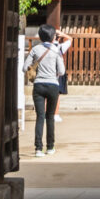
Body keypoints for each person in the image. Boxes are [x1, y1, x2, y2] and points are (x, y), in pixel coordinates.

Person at [26, 26, 70, 156]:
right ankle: (50, 147)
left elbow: (25, 67)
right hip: (52, 85)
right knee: (50, 117)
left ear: (40, 36)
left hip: (38, 85)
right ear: (53, 37)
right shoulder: (56, 51)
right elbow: (61, 71)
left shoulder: (35, 49)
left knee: (40, 117)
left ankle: (38, 149)